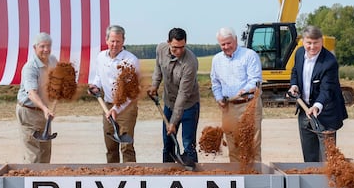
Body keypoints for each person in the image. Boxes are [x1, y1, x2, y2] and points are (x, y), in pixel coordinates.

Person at [288, 25, 348, 162]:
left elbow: (327, 90)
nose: (312, 47)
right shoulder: (299, 53)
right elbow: (295, 71)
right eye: (309, 43)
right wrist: (294, 85)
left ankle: (328, 182)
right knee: (309, 156)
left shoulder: (329, 62)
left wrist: (317, 106)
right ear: (303, 41)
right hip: (304, 110)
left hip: (326, 113)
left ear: (322, 41)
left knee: (327, 157)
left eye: (316, 43)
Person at [148, 27, 200, 166]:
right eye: (175, 47)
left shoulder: (190, 62)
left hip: (189, 106)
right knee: (168, 144)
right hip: (169, 103)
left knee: (188, 144)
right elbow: (158, 68)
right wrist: (154, 85)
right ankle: (167, 174)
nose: (179, 51)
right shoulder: (160, 49)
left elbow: (183, 95)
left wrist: (173, 122)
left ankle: (192, 175)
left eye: (182, 47)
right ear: (168, 42)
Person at [210, 27, 263, 163]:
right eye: (223, 44)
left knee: (252, 144)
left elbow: (255, 80)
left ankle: (255, 177)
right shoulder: (217, 60)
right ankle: (237, 175)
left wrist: (244, 90)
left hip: (249, 105)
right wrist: (219, 98)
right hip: (229, 107)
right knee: (233, 146)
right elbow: (215, 83)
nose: (226, 47)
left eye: (229, 43)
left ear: (236, 40)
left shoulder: (249, 55)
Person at [89, 25, 139, 163]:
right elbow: (99, 76)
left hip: (126, 107)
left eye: (118, 41)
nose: (115, 44)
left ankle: (130, 174)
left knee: (126, 146)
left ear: (123, 41)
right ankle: (112, 175)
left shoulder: (130, 61)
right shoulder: (100, 57)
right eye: (112, 41)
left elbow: (131, 92)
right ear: (106, 40)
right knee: (110, 147)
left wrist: (116, 109)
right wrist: (95, 85)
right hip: (107, 105)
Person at [16, 32, 57, 163]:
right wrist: (45, 108)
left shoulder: (53, 60)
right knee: (33, 155)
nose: (46, 50)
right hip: (29, 111)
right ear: (35, 48)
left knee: (45, 152)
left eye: (48, 46)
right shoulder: (30, 67)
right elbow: (32, 93)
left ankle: (43, 179)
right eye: (42, 46)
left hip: (44, 112)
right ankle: (30, 180)